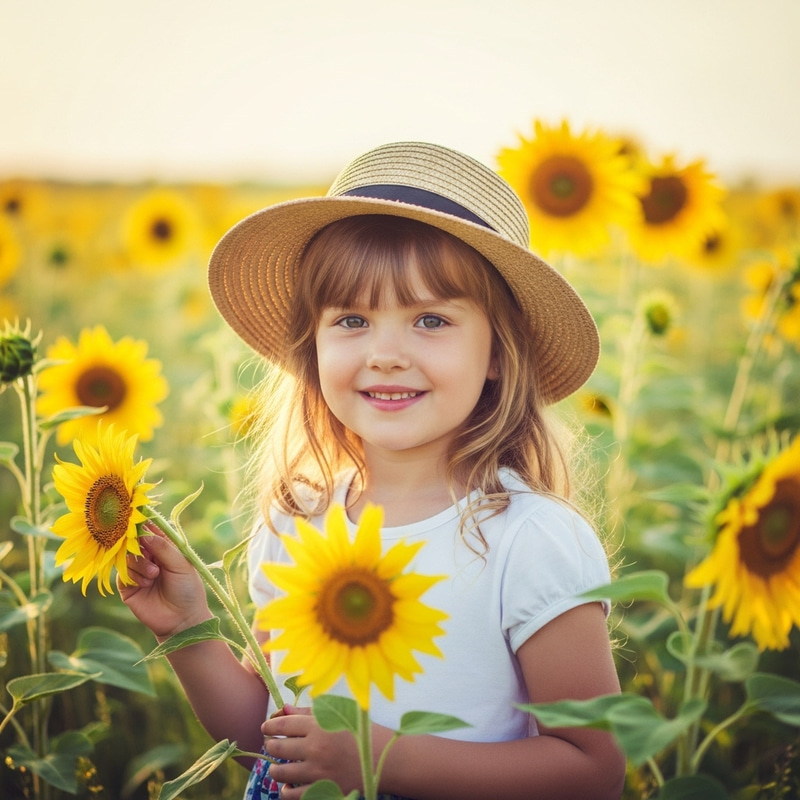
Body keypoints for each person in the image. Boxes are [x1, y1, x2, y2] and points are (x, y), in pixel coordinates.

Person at [120, 141, 626, 800]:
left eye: (431, 320)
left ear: (499, 354)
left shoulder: (527, 541)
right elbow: (270, 742)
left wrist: (380, 759)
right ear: (314, 345)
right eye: (353, 319)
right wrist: (186, 629)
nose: (386, 354)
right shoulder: (295, 520)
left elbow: (594, 769)